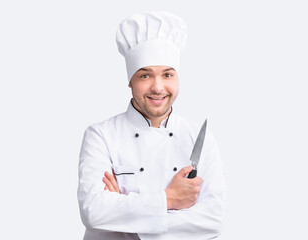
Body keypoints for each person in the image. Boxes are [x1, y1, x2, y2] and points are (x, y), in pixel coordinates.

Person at [78, 11, 226, 240]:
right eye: (145, 76)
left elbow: (213, 221)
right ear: (130, 80)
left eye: (167, 75)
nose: (158, 87)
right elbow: (93, 212)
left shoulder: (198, 136)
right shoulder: (100, 135)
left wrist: (124, 216)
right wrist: (170, 199)